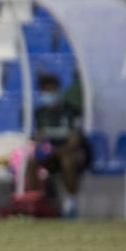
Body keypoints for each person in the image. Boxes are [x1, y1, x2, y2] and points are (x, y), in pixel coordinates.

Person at [25, 73, 89, 217]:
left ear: (58, 90)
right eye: (45, 91)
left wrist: (56, 151)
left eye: (52, 91)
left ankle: (71, 203)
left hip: (73, 155)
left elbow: (75, 141)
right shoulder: (40, 113)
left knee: (67, 159)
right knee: (31, 161)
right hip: (51, 155)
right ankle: (37, 201)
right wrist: (41, 145)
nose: (49, 95)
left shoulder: (71, 111)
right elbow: (38, 139)